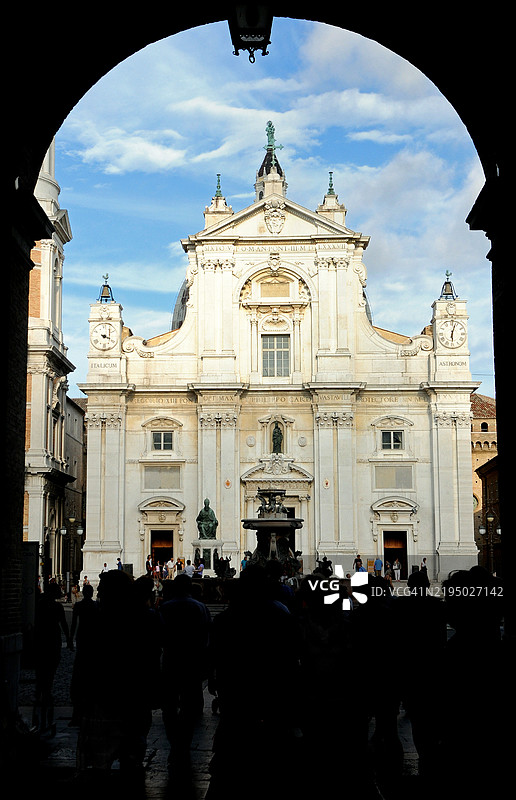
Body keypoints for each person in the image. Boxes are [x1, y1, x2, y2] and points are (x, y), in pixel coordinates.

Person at [159, 573, 211, 768]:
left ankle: (174, 743)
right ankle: (185, 744)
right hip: (192, 661)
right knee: (190, 707)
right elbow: (206, 635)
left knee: (169, 706)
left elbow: (161, 635)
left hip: (172, 660)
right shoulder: (200, 607)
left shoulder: (166, 607)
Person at [32, 582, 71, 733]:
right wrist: (68, 639)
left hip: (42, 641)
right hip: (52, 642)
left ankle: (40, 695)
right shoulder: (57, 607)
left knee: (41, 673)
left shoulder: (40, 605)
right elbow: (64, 625)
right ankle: (45, 695)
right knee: (49, 674)